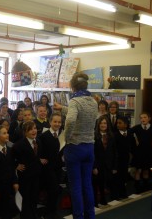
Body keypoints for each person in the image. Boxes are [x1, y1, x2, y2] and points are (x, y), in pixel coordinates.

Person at [54, 72, 97, 219]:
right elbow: (80, 114)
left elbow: (71, 120)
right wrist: (63, 108)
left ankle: (78, 216)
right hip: (89, 147)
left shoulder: (74, 101)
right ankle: (90, 216)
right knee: (87, 184)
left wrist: (66, 137)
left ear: (73, 86)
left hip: (75, 148)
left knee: (76, 186)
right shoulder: (93, 101)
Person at [12, 121, 43, 219]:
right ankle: (25, 216)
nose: (34, 131)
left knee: (34, 197)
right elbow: (10, 158)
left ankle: (34, 215)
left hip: (36, 174)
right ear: (25, 132)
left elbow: (37, 156)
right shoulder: (19, 145)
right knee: (26, 198)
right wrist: (16, 165)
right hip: (25, 176)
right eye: (30, 129)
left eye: (34, 128)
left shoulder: (38, 141)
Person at [38, 112, 63, 218]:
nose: (57, 124)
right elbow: (39, 150)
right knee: (52, 190)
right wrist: (40, 158)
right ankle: (48, 212)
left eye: (59, 122)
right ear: (50, 122)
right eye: (55, 121)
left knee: (56, 190)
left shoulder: (61, 135)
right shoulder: (44, 136)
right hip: (48, 168)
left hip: (58, 167)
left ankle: (53, 210)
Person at [92, 115, 118, 205]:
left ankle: (103, 199)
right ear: (98, 124)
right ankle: (94, 202)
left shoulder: (111, 136)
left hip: (108, 165)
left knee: (103, 183)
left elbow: (115, 152)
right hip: (97, 166)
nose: (103, 125)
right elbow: (92, 153)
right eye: (101, 123)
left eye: (105, 123)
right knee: (95, 184)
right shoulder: (94, 136)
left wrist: (114, 167)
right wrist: (94, 167)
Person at [114, 116, 135, 199]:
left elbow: (132, 146)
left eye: (120, 123)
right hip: (117, 159)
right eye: (117, 123)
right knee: (117, 177)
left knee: (124, 176)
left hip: (126, 159)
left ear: (126, 125)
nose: (118, 125)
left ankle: (123, 192)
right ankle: (117, 194)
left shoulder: (130, 134)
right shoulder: (115, 135)